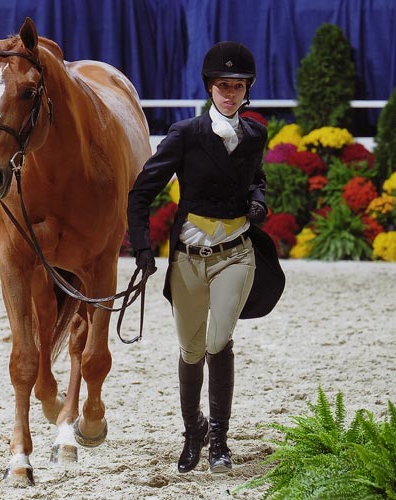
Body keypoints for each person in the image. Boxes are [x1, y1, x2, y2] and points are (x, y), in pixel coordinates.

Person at [127, 41, 285, 473]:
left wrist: (257, 200)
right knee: (191, 349)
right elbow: (141, 193)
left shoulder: (255, 134)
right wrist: (141, 246)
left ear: (246, 89)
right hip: (189, 257)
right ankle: (192, 430)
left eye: (237, 86)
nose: (229, 93)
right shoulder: (185, 135)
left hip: (237, 254)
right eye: (222, 85)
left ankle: (219, 439)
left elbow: (257, 179)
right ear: (210, 88)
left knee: (219, 341)